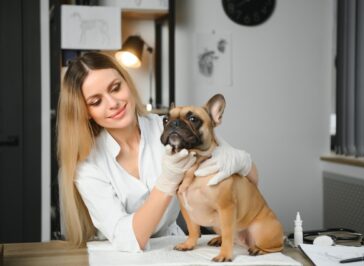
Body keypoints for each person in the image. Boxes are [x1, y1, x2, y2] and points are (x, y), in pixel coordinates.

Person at [57, 52, 257, 252]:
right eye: (96, 101)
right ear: (85, 112)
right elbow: (128, 240)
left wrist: (241, 162)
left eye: (116, 88)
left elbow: (248, 180)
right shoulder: (87, 166)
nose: (113, 103)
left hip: (175, 247)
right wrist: (167, 181)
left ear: (127, 83)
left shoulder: (170, 129)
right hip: (119, 257)